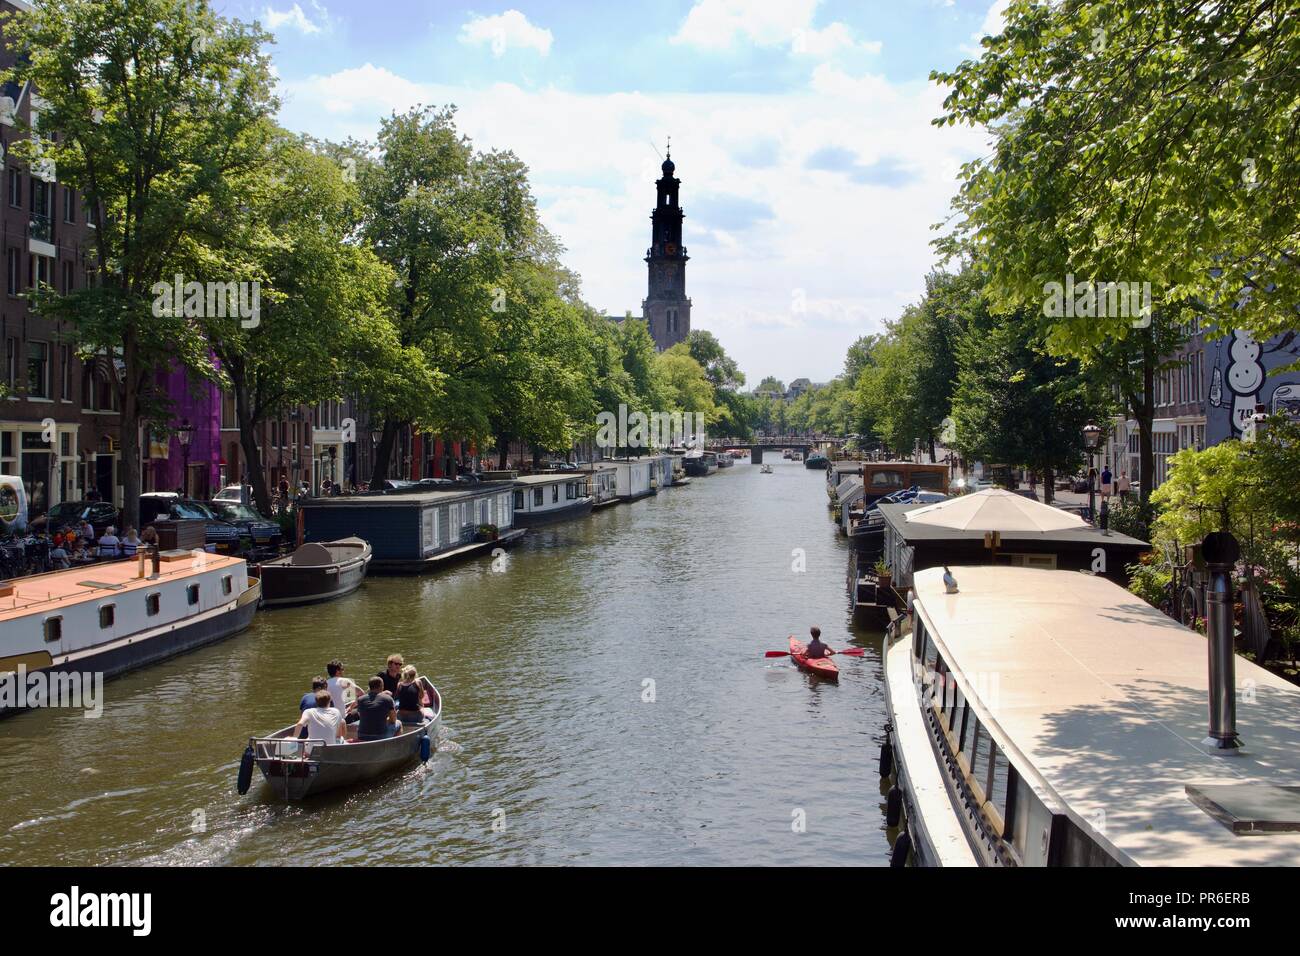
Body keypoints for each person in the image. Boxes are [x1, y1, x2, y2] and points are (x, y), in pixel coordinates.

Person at [354, 676, 398, 741]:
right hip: (380, 736)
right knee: (398, 723)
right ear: (381, 686)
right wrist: (385, 720)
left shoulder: (360, 699)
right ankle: (394, 746)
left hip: (362, 735)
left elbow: (361, 716)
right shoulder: (388, 699)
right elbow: (393, 720)